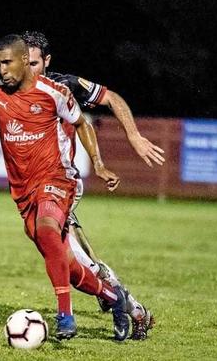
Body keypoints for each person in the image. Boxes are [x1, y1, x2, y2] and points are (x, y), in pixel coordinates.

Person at [0, 34, 130, 341]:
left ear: (23, 60)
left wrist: (97, 163)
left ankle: (65, 317)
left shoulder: (53, 92)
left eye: (7, 62)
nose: (2, 70)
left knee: (47, 228)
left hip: (57, 179)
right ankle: (114, 298)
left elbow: (82, 124)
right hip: (23, 190)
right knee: (66, 266)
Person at [20, 30, 163, 340]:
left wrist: (132, 137)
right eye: (22, 62)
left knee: (65, 258)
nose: (27, 69)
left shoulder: (64, 86)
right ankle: (130, 306)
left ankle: (107, 305)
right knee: (72, 265)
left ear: (46, 61)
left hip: (61, 182)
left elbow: (111, 98)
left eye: (33, 63)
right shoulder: (8, 90)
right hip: (32, 188)